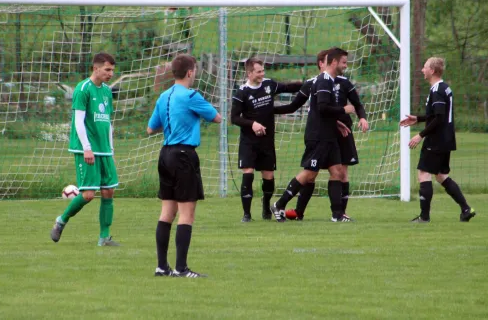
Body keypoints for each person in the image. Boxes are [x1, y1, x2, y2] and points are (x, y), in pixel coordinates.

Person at [147, 54, 221, 278]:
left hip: (165, 154)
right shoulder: (191, 96)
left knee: (166, 212)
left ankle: (162, 266)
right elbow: (216, 118)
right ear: (190, 72)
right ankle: (181, 268)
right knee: (186, 215)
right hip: (183, 155)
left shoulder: (163, 96)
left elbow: (151, 129)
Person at [276, 49, 368, 220]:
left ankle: (338, 214)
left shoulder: (337, 82)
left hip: (334, 132)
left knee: (338, 172)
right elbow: (321, 108)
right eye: (344, 62)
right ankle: (281, 205)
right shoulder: (321, 81)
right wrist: (343, 110)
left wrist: (344, 120)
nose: (346, 66)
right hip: (319, 134)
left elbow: (333, 108)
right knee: (310, 174)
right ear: (328, 62)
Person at [50, 52, 121, 246]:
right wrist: (87, 148)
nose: (110, 73)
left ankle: (104, 238)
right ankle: (61, 220)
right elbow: (78, 121)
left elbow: (107, 123)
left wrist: (111, 151)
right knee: (89, 194)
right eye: (107, 69)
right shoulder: (83, 89)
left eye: (112, 70)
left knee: (108, 192)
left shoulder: (107, 91)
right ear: (95, 68)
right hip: (87, 150)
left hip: (104, 150)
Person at [399, 57, 475, 223]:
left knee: (423, 173)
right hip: (446, 139)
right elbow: (436, 115)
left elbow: (439, 118)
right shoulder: (444, 88)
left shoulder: (437, 90)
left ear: (432, 71)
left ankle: (424, 217)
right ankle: (466, 209)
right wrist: (418, 118)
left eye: (425, 67)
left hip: (437, 139)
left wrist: (420, 135)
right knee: (441, 176)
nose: (422, 70)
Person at [230, 57, 301, 222]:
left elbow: (289, 87)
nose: (262, 74)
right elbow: (234, 118)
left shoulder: (269, 85)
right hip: (249, 142)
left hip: (267, 141)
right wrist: (252, 124)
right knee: (248, 174)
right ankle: (246, 214)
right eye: (259, 71)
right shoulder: (242, 92)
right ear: (249, 73)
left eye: (263, 70)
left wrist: (308, 83)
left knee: (268, 178)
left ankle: (266, 207)